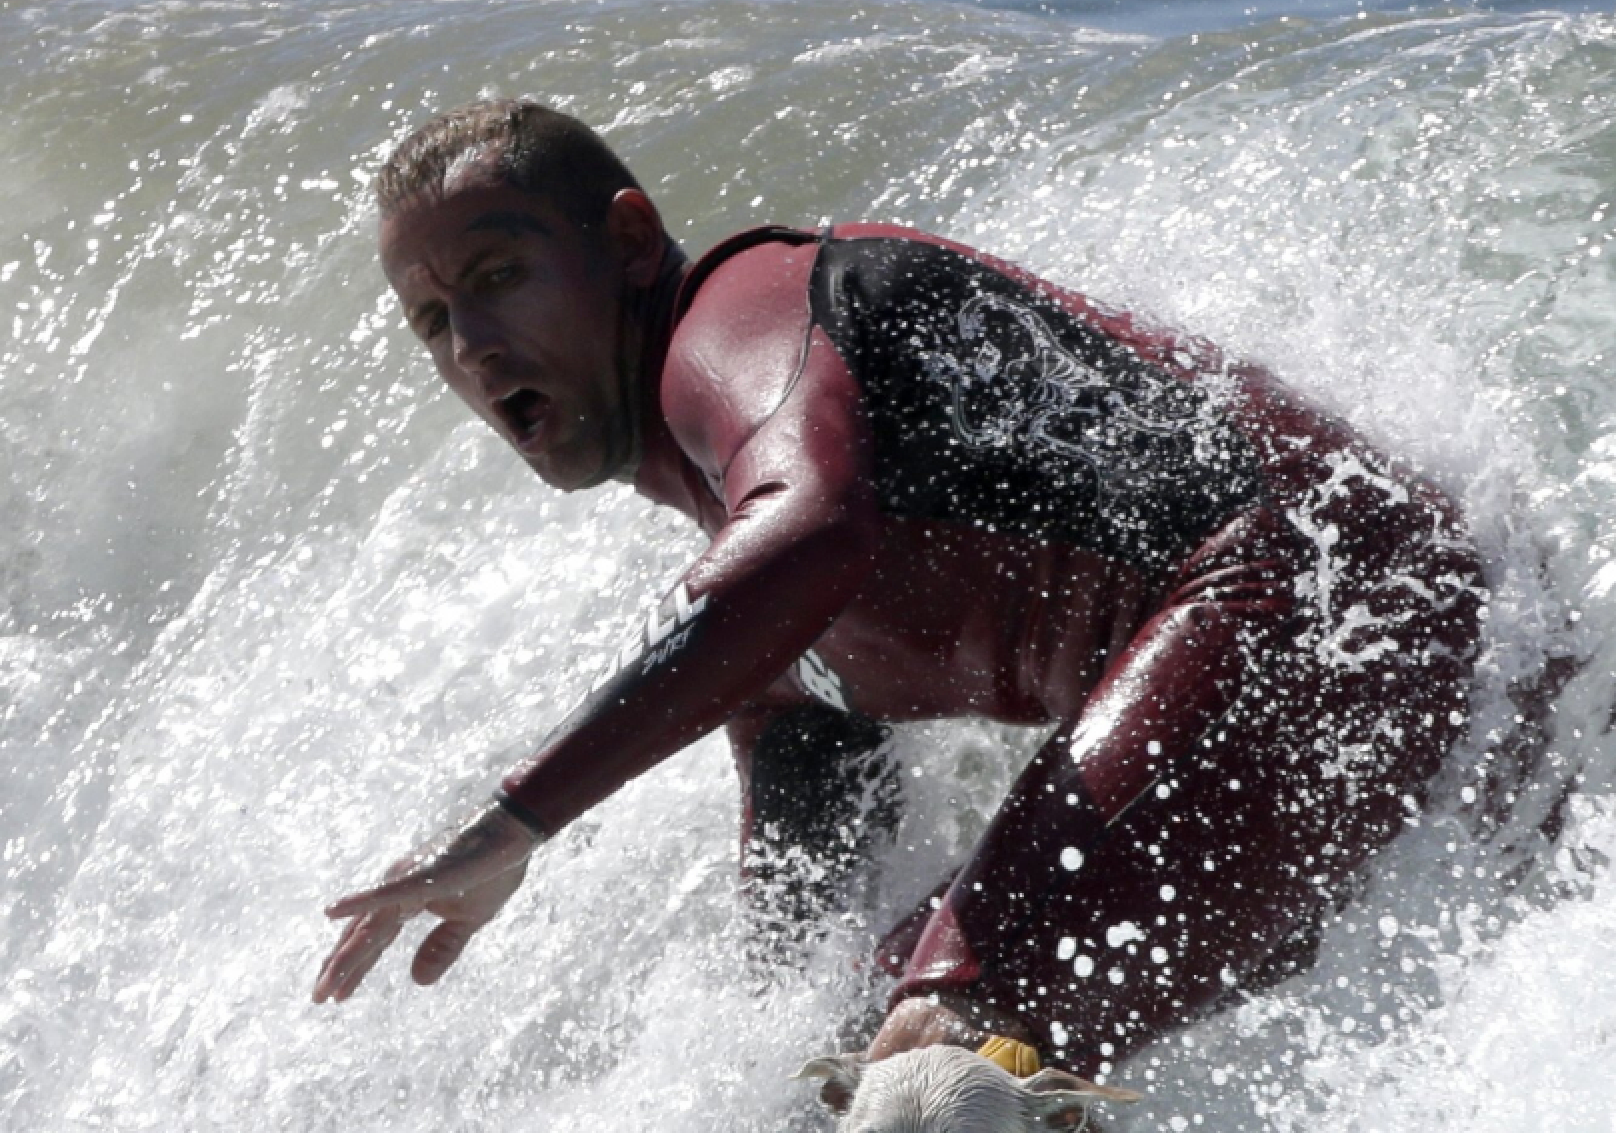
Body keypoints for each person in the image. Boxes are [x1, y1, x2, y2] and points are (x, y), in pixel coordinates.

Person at [314, 98, 1489, 1075]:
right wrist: (769, 1069)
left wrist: (519, 818)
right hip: (1334, 673)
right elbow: (805, 903)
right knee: (844, 1071)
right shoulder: (761, 625)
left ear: (627, 239)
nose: (469, 340)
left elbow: (810, 537)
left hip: (1328, 596)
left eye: (499, 273)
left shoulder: (750, 317)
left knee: (937, 1054)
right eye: (431, 318)